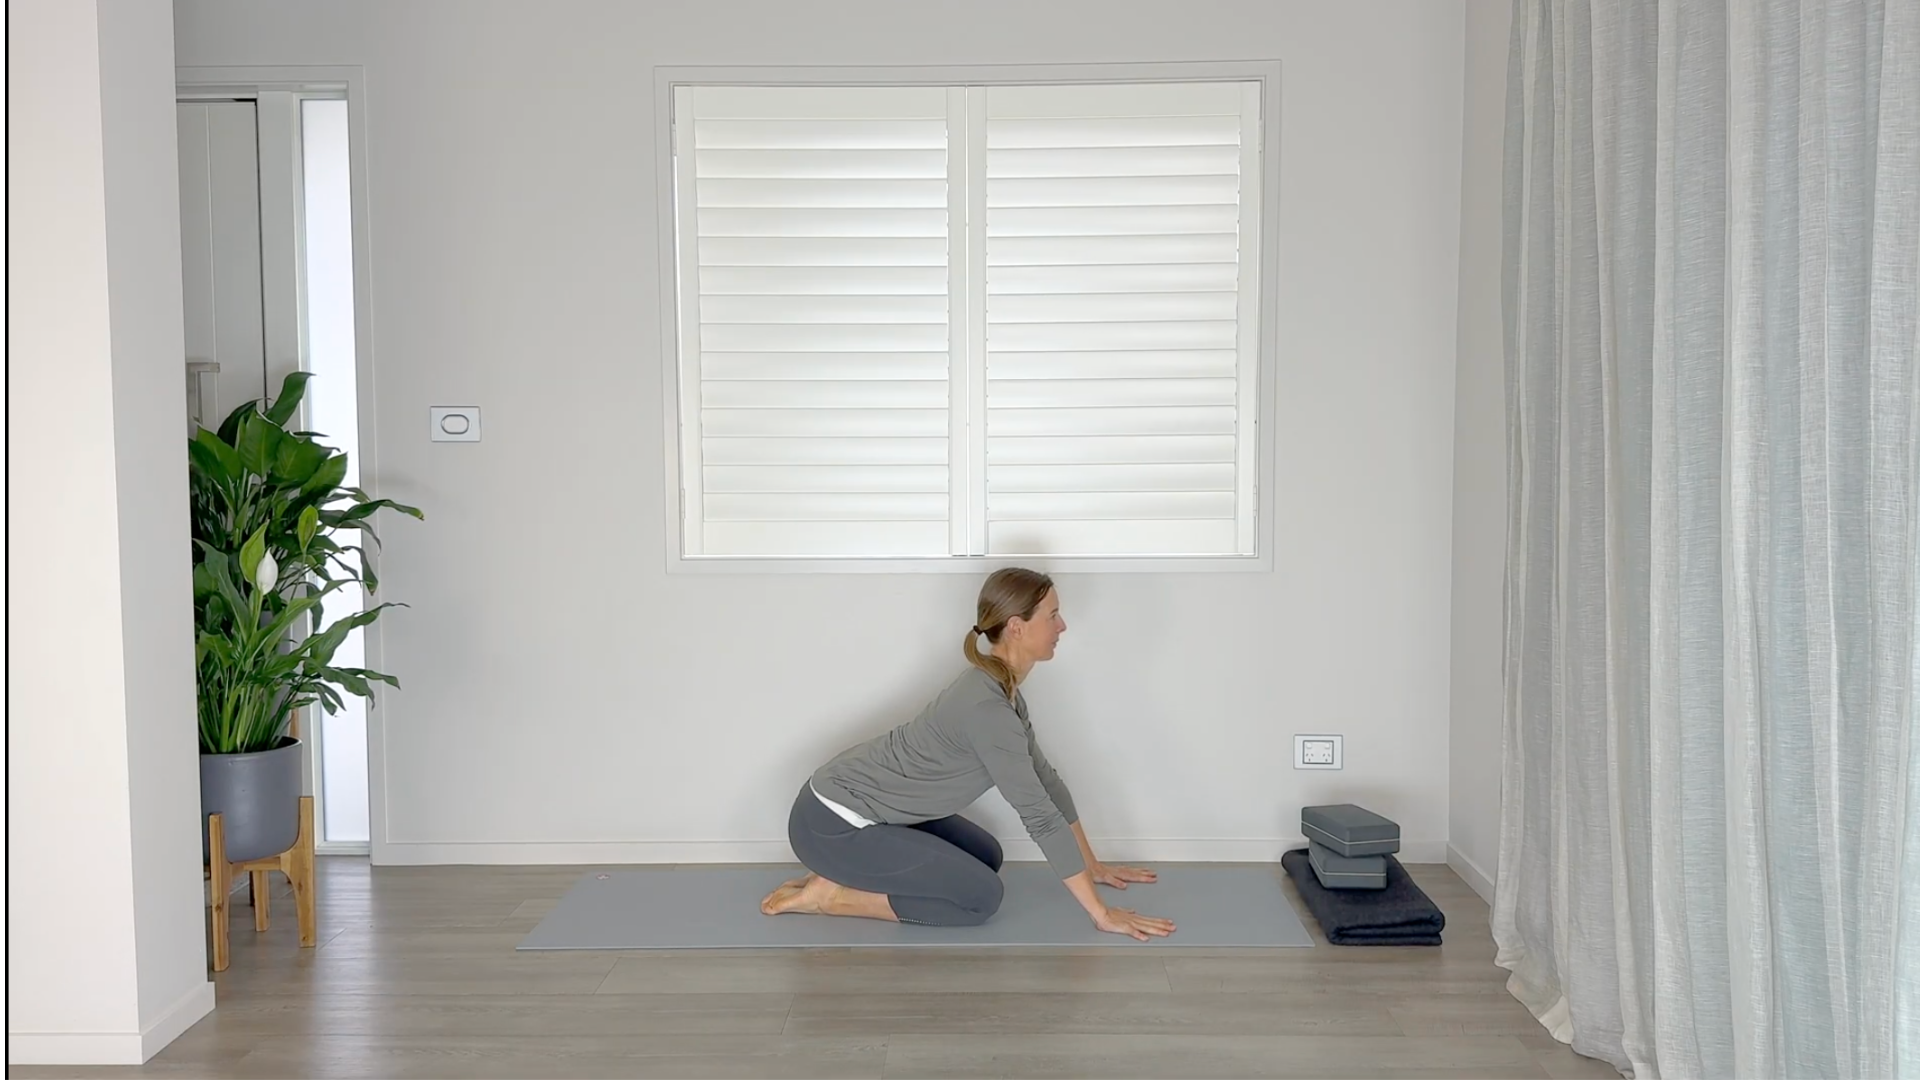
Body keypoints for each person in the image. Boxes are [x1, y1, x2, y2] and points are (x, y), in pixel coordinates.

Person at [760, 567, 1177, 941]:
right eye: (1052, 615)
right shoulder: (987, 710)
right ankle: (830, 896)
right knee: (980, 897)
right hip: (830, 824)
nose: (1063, 625)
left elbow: (1046, 781)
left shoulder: (999, 690)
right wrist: (1100, 915)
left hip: (852, 809)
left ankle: (838, 875)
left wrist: (1093, 864)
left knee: (987, 857)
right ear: (1017, 626)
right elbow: (1039, 815)